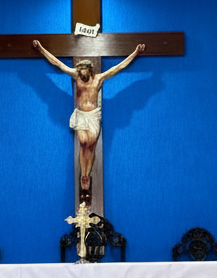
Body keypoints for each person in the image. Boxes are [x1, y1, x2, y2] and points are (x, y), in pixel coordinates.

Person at [32, 39, 145, 190]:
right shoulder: (75, 76)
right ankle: (82, 175)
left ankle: (88, 173)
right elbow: (57, 63)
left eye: (84, 71)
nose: (82, 74)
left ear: (89, 70)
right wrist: (40, 48)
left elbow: (118, 67)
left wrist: (135, 53)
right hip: (81, 115)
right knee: (83, 142)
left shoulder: (98, 79)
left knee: (90, 145)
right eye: (80, 71)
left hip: (93, 116)